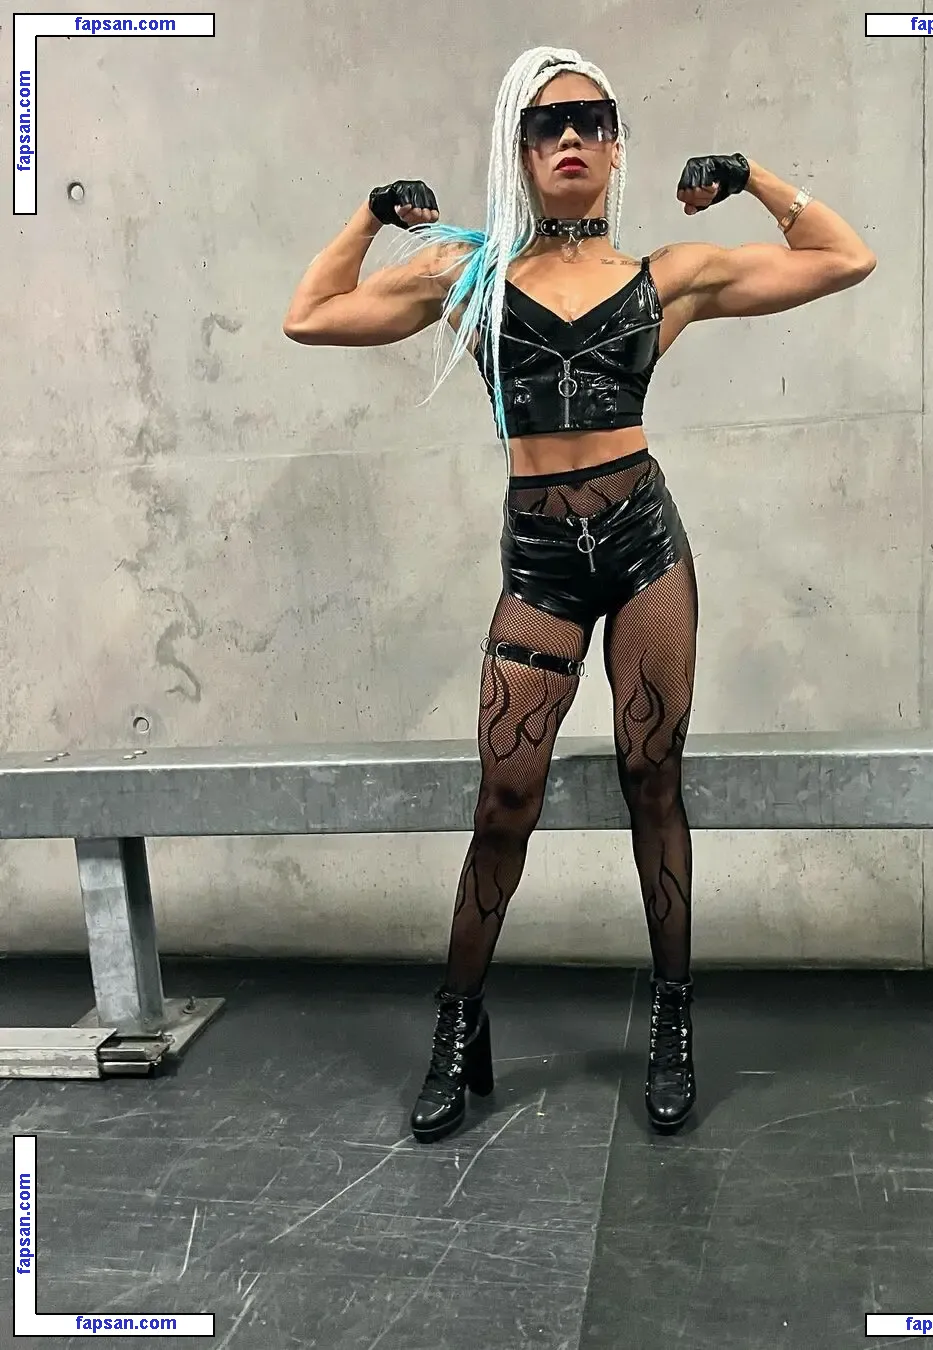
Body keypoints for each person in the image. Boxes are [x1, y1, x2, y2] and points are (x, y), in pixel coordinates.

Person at [283, 46, 875, 1142]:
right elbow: (309, 315)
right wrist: (369, 215)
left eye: (591, 120)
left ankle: (674, 1024)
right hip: (541, 564)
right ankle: (458, 1025)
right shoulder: (466, 277)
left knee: (656, 781)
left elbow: (846, 258)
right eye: (546, 123)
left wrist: (751, 177)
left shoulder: (671, 274)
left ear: (615, 145)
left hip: (645, 546)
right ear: (518, 147)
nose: (569, 137)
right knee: (505, 800)